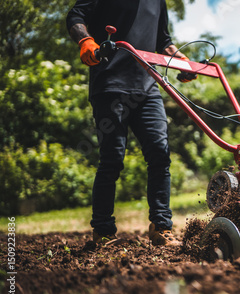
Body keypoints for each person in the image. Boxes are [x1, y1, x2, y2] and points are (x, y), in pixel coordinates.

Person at [66, 0, 195, 246]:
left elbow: (163, 41)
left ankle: (161, 227)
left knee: (159, 153)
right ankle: (103, 231)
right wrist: (85, 41)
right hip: (109, 86)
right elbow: (75, 15)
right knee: (112, 159)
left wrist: (181, 60)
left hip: (147, 87)